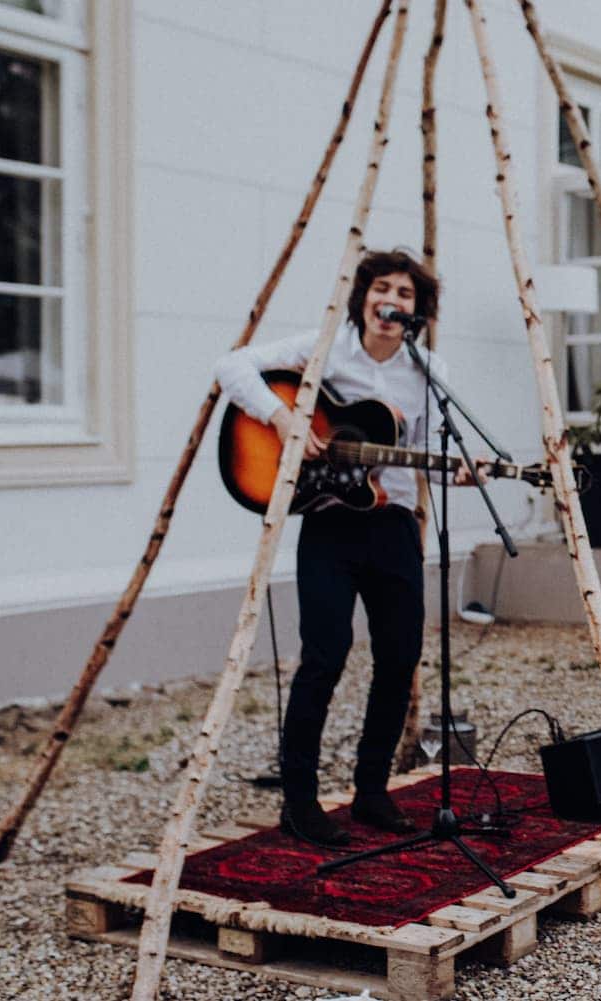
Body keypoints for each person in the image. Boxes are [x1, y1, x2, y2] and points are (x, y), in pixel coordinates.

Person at [215, 248, 476, 847]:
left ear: (418, 310)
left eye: (406, 294)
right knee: (325, 656)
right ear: (363, 297)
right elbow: (232, 367)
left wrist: (461, 472)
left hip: (392, 528)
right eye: (382, 288)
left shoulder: (430, 371)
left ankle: (371, 792)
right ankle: (301, 802)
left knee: (400, 655)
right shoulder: (323, 346)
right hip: (329, 524)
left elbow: (429, 463)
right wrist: (282, 419)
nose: (393, 301)